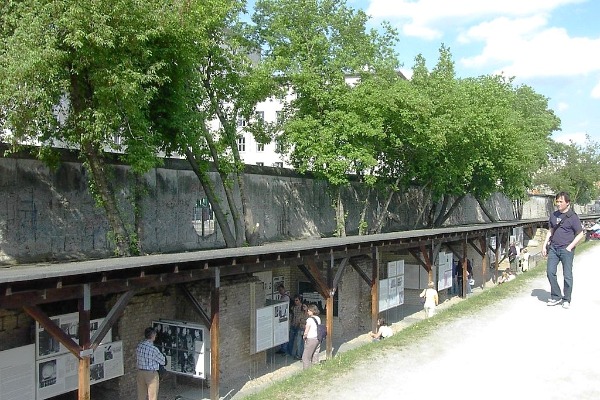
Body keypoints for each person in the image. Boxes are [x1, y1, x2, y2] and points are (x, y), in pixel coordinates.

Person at [542, 191, 585, 309]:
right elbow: (550, 230)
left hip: (566, 249)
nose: (558, 203)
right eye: (557, 201)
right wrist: (544, 245)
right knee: (550, 272)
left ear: (567, 203)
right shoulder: (554, 215)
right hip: (554, 248)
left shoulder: (573, 217)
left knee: (567, 275)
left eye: (561, 201)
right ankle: (556, 296)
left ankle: (566, 299)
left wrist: (569, 247)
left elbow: (580, 234)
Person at [136, 327, 166, 400]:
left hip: (140, 372)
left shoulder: (139, 346)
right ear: (153, 335)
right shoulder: (153, 349)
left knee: (141, 396)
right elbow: (163, 361)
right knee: (152, 396)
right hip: (151, 374)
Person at [302, 304, 321, 369]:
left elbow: (307, 330)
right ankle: (315, 368)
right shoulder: (318, 318)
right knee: (315, 354)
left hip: (311, 338)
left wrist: (304, 336)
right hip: (317, 338)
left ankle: (306, 371)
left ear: (312, 311)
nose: (308, 312)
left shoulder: (309, 320)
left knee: (306, 357)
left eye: (309, 311)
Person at [275, 284, 291, 354]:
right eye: (279, 290)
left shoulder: (285, 298)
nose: (280, 292)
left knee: (284, 333)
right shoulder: (284, 297)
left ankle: (284, 349)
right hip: (282, 317)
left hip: (284, 317)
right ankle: (283, 348)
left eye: (281, 290)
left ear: (284, 289)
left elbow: (281, 307)